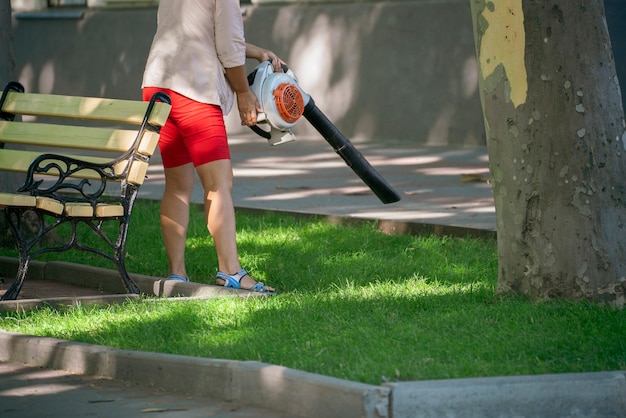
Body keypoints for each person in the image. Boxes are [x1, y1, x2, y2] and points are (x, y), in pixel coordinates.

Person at [141, 0, 283, 293]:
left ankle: (176, 275)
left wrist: (256, 52)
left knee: (177, 184)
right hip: (193, 85)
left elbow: (201, 31)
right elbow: (228, 44)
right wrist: (244, 92)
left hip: (159, 84)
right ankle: (231, 272)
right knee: (218, 183)